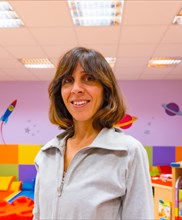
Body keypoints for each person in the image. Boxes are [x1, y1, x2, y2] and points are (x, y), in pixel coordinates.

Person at [33, 47, 154, 219]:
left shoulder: (128, 152)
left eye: (88, 78)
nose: (76, 89)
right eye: (68, 80)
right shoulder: (47, 154)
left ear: (106, 89)